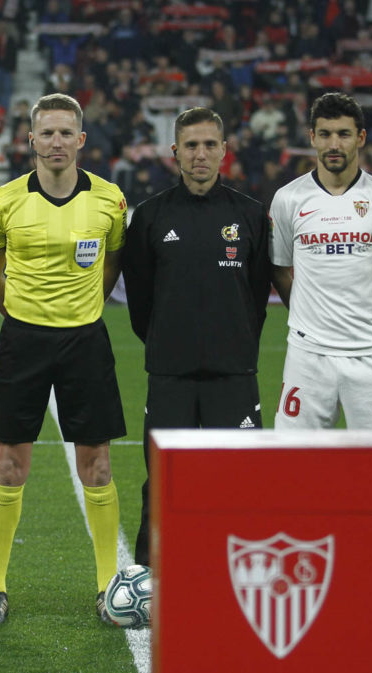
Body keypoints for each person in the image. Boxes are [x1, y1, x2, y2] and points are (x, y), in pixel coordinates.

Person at [0, 93, 127, 625]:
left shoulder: (110, 200)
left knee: (98, 464)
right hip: (24, 341)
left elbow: (112, 262)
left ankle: (108, 586)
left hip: (86, 341)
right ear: (31, 140)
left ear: (81, 140)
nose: (57, 142)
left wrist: (86, 306)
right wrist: (14, 310)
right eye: (48, 133)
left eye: (67, 133)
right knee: (11, 465)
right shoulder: (4, 201)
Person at [267, 92, 372, 627]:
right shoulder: (288, 201)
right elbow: (282, 271)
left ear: (360, 139)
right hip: (308, 355)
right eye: (324, 134)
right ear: (311, 138)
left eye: (343, 134)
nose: (334, 144)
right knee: (294, 470)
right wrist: (312, 316)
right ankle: (302, 582)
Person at [121, 107, 271, 567]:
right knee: (164, 480)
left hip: (234, 375)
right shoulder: (149, 217)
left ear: (224, 151)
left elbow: (258, 296)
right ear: (174, 153)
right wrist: (169, 344)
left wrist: (235, 344)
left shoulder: (249, 215)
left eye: (209, 145)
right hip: (170, 375)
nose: (200, 154)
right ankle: (152, 576)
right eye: (191, 145)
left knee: (241, 481)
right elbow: (140, 303)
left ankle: (239, 576)